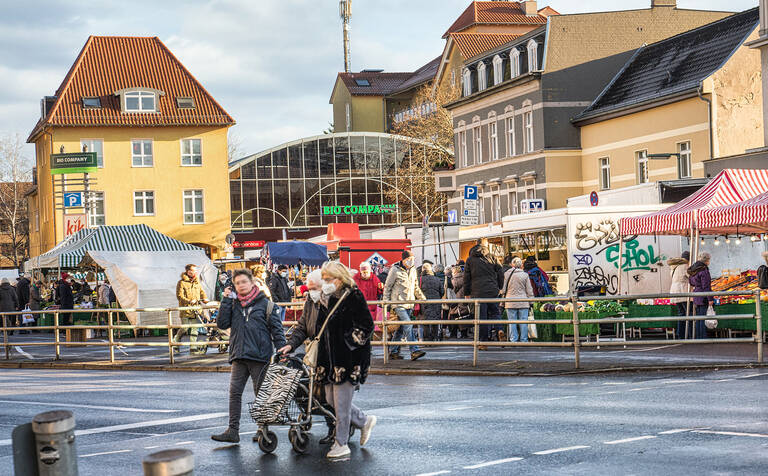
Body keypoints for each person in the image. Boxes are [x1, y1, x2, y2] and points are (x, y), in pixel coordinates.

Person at [211, 269, 286, 443]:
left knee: (260, 394)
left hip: (259, 356)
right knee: (234, 393)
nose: (241, 285)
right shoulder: (234, 303)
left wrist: (282, 350)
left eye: (244, 282)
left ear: (252, 283)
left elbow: (277, 330)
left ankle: (263, 430)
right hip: (239, 354)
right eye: (237, 283)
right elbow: (222, 323)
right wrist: (226, 299)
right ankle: (233, 430)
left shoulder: (265, 304)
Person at [315, 261, 377, 459]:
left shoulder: (353, 295)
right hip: (328, 359)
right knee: (330, 399)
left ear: (340, 279)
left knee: (341, 404)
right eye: (323, 278)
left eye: (328, 278)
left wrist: (349, 342)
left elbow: (367, 325)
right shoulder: (326, 297)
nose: (325, 282)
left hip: (348, 358)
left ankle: (341, 443)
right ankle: (363, 420)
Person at [277, 269, 336, 444]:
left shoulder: (332, 301)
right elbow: (302, 326)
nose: (309, 291)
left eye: (313, 288)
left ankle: (335, 425)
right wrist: (291, 344)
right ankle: (308, 412)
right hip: (315, 351)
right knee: (306, 386)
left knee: (328, 393)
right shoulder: (311, 301)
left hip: (331, 352)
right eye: (309, 288)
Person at [383, 250, 427, 361]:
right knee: (408, 324)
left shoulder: (413, 270)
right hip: (398, 303)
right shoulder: (394, 270)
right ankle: (414, 350)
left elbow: (415, 286)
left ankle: (393, 352)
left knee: (401, 329)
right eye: (409, 259)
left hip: (409, 303)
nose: (411, 261)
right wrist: (386, 303)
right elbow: (387, 287)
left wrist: (423, 298)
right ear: (403, 260)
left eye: (412, 259)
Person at [464, 239, 504, 344]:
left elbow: (466, 278)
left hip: (477, 292)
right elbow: (500, 273)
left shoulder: (470, 260)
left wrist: (467, 293)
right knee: (496, 312)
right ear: (485, 245)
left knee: (482, 317)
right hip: (492, 290)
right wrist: (500, 287)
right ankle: (500, 329)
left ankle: (483, 342)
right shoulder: (492, 257)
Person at [174, 264, 208, 354]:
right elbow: (179, 296)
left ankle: (193, 348)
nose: (195, 272)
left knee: (195, 329)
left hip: (196, 310)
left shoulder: (197, 282)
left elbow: (202, 292)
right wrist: (189, 301)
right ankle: (176, 340)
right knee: (185, 328)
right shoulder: (181, 283)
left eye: (196, 270)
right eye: (193, 270)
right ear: (188, 271)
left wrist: (205, 299)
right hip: (186, 310)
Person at [501, 257, 534, 343]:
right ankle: (524, 340)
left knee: (512, 322)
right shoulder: (525, 275)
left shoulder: (506, 274)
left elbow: (503, 290)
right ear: (521, 265)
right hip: (523, 301)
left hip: (510, 302)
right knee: (523, 322)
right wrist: (531, 302)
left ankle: (513, 340)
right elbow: (529, 290)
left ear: (512, 264)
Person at [688, 252, 713, 339]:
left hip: (696, 295)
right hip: (703, 296)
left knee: (699, 317)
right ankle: (703, 336)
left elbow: (690, 282)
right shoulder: (703, 270)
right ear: (706, 260)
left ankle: (698, 336)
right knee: (702, 317)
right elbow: (706, 286)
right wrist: (710, 298)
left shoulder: (694, 269)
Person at [669, 251, 692, 339]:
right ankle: (689, 335)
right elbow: (691, 277)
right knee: (688, 314)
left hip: (674, 292)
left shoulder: (674, 267)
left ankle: (681, 334)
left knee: (681, 313)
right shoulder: (685, 266)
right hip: (683, 292)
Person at [419, 263, 444, 341]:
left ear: (423, 270)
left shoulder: (419, 279)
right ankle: (435, 337)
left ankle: (427, 338)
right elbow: (442, 291)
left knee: (425, 320)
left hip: (424, 302)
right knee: (435, 320)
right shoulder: (437, 279)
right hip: (436, 301)